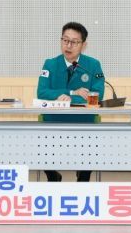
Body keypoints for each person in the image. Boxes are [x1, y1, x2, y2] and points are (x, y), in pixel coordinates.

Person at [37, 22, 105, 182]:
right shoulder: (50, 64)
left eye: (74, 42)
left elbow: (98, 95)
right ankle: (53, 176)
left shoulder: (93, 65)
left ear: (83, 45)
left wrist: (63, 98)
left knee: (89, 147)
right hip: (53, 121)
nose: (68, 46)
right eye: (65, 40)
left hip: (83, 121)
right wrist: (72, 93)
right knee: (41, 142)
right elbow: (41, 92)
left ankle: (83, 177)